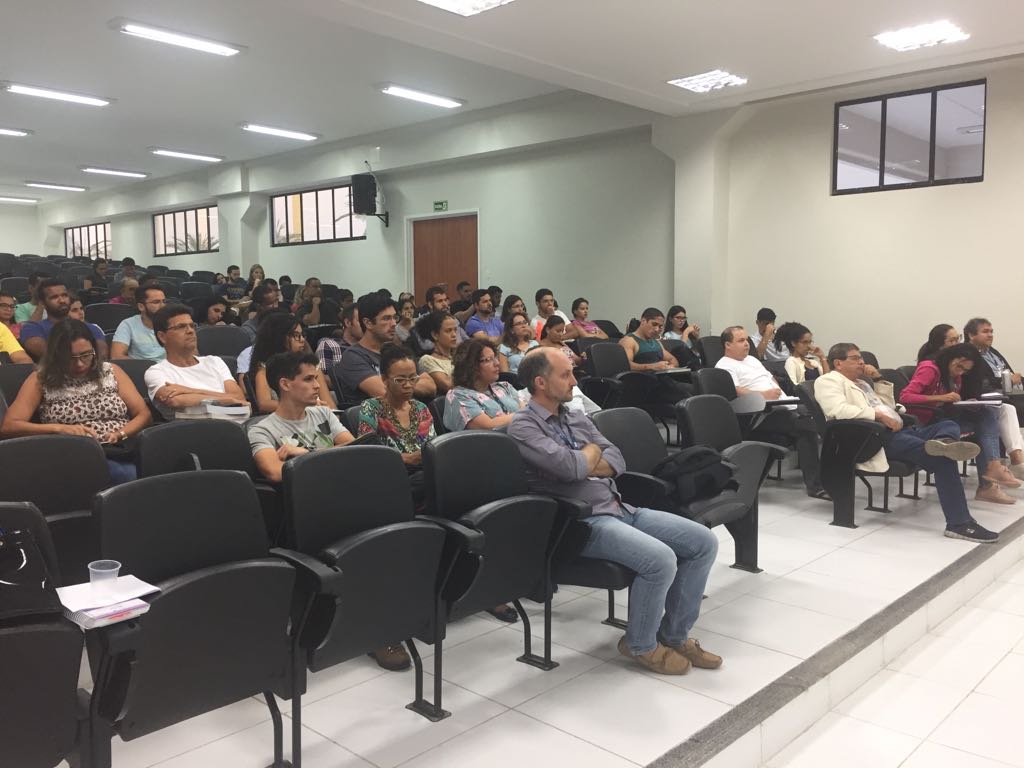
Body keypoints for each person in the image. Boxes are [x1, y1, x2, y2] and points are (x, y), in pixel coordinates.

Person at [509, 348, 721, 674]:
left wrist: (586, 459)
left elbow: (617, 460)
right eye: (565, 374)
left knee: (703, 542)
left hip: (620, 507)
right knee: (660, 559)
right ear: (540, 382)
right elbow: (570, 468)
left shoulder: (575, 416)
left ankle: (673, 635)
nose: (574, 381)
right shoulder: (524, 427)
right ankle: (640, 644)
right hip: (582, 522)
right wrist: (591, 454)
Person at [816, 343, 998, 542]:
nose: (861, 362)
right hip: (874, 438)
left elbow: (890, 406)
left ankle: (943, 442)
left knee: (947, 424)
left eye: (861, 357)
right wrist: (878, 415)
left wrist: (878, 380)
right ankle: (959, 523)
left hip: (900, 430)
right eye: (855, 358)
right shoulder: (828, 381)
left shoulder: (863, 383)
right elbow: (838, 411)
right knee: (943, 459)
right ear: (838, 363)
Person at [1, 319, 151, 484]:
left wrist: (121, 433)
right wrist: (58, 429)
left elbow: (143, 414)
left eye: (86, 355)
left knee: (149, 465)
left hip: (121, 448)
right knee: (125, 474)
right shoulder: (41, 379)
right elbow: (9, 426)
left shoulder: (111, 371)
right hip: (73, 452)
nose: (79, 364)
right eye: (70, 358)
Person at [717, 325, 825, 499]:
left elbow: (770, 378)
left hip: (781, 404)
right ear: (727, 345)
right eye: (741, 340)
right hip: (759, 413)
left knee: (822, 418)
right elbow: (735, 391)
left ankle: (831, 475)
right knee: (807, 427)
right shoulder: (724, 365)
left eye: (747, 340)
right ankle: (816, 485)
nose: (747, 344)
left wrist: (778, 391)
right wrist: (763, 395)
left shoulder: (752, 360)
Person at [900, 343, 1018, 503]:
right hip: (927, 423)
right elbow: (905, 397)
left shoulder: (955, 375)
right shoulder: (930, 368)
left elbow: (948, 404)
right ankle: (989, 480)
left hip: (945, 418)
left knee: (987, 415)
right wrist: (939, 398)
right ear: (950, 358)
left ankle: (993, 469)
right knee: (983, 427)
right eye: (959, 366)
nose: (960, 372)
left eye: (965, 370)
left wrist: (967, 404)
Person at [358, 343, 436, 500]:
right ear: (384, 379)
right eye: (400, 380)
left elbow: (433, 447)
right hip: (392, 476)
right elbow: (369, 454)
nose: (408, 385)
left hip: (424, 473)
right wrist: (408, 458)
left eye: (412, 379)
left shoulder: (421, 408)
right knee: (429, 479)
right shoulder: (371, 407)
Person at [144, 304, 248, 420]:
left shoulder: (214, 361)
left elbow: (239, 398)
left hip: (238, 424)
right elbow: (175, 401)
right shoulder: (156, 372)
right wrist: (227, 399)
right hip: (193, 429)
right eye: (181, 327)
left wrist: (189, 391)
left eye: (192, 326)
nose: (190, 331)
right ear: (162, 337)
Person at [336, 293, 435, 403]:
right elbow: (386, 393)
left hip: (412, 411)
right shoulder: (353, 357)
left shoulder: (396, 350)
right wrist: (412, 382)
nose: (394, 323)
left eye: (394, 317)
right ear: (368, 323)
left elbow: (430, 386)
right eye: (386, 318)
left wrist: (399, 384)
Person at [250, 314, 335, 414]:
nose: (302, 340)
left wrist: (333, 417)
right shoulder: (264, 369)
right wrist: (304, 406)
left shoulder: (312, 367)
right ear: (280, 337)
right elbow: (264, 404)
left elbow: (329, 405)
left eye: (302, 335)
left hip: (319, 418)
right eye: (296, 335)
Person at [444, 338, 524, 432]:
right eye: (488, 360)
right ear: (471, 366)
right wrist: (525, 414)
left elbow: (525, 407)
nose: (497, 363)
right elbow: (489, 427)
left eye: (495, 358)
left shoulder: (504, 386)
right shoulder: (458, 396)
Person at [20, 279, 107, 362]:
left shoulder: (90, 327)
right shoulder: (32, 328)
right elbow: (49, 355)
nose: (62, 300)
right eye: (54, 297)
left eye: (64, 295)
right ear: (42, 303)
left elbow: (102, 356)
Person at [619, 307, 692, 403]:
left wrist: (669, 367)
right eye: (654, 324)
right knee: (686, 399)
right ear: (643, 321)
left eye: (660, 326)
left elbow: (673, 360)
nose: (657, 329)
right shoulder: (629, 341)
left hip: (664, 382)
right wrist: (652, 366)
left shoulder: (656, 342)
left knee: (697, 389)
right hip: (645, 386)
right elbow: (626, 365)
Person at [111, 284, 166, 361]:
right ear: (141, 307)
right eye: (156, 302)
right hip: (141, 367)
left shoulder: (172, 323)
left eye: (164, 301)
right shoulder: (128, 324)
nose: (163, 306)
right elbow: (117, 356)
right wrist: (150, 366)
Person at [412, 286, 468, 352]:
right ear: (430, 304)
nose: (445, 304)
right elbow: (425, 347)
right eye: (440, 301)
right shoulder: (421, 323)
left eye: (445, 300)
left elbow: (467, 342)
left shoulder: (453, 320)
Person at [416, 311, 459, 394]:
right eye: (448, 331)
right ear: (435, 335)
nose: (454, 335)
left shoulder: (458, 357)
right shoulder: (427, 360)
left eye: (455, 330)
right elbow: (448, 385)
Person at [316, 303, 361, 373]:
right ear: (348, 322)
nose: (365, 325)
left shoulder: (371, 348)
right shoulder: (330, 345)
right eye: (360, 321)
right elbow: (323, 377)